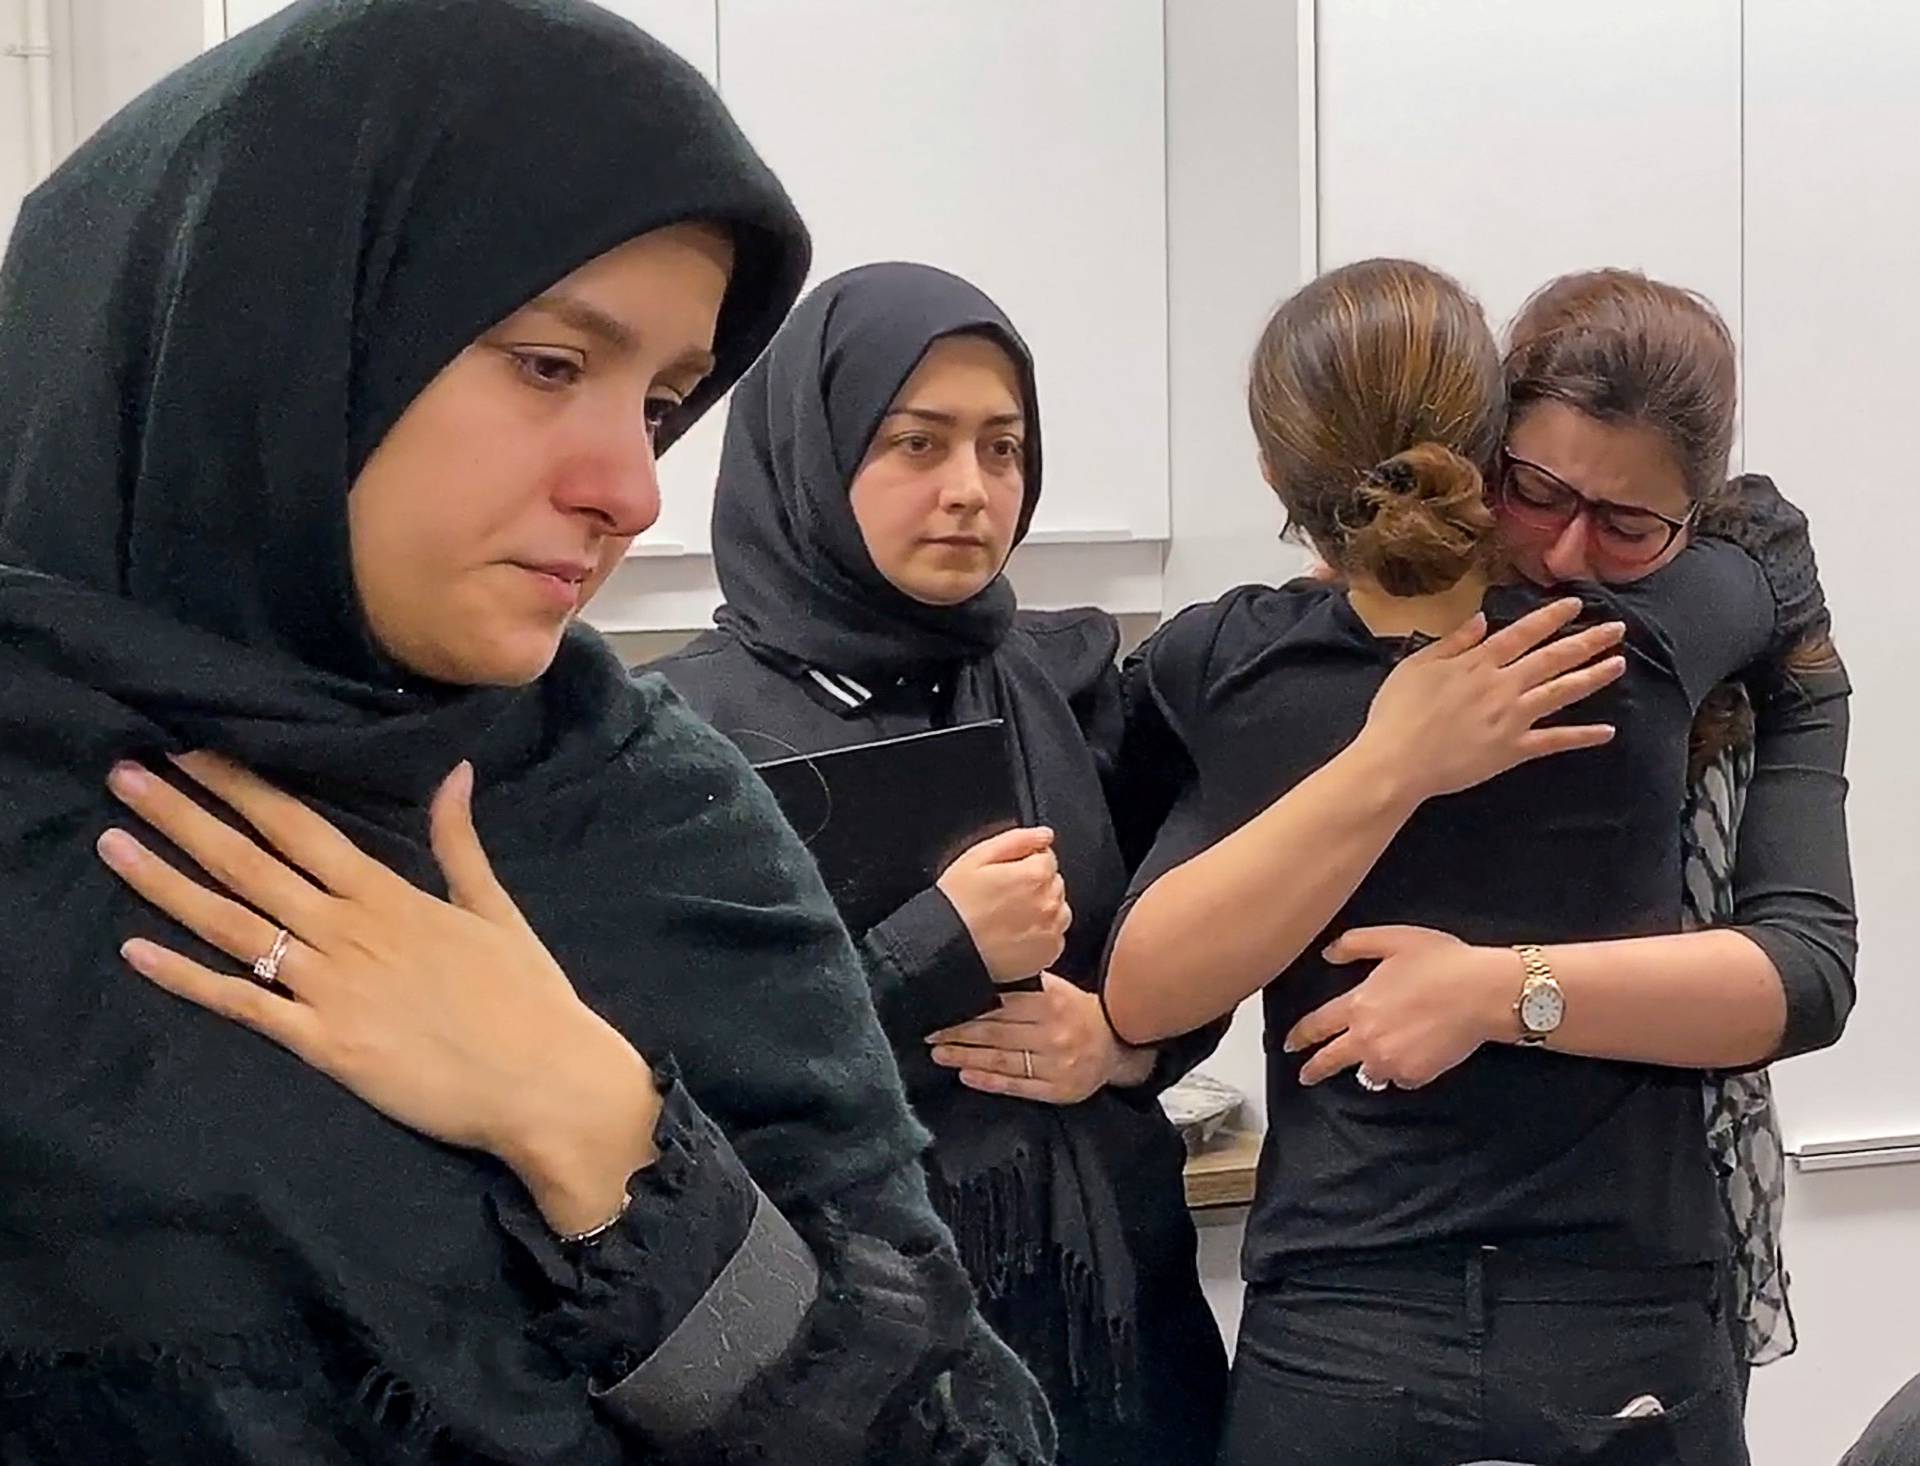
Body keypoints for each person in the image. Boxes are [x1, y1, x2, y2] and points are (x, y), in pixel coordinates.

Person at [0, 4, 1052, 1462]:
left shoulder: (661, 827)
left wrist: (601, 1128)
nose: (633, 485)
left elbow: (960, 1440)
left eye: (665, 401)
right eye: (553, 364)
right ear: (283, 324)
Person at [1100, 258, 1827, 1465]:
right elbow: (1764, 572)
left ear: (1282, 479)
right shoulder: (1636, 653)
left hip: (1339, 1324)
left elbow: (1139, 980)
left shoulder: (1228, 665)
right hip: (1617, 1321)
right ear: (1483, 450)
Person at [647, 260, 1229, 1463]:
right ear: (815, 453)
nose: (971, 490)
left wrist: (1130, 1040)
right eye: (917, 444)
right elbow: (662, 1087)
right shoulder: (677, 737)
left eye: (1002, 449)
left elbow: (1191, 928)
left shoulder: (1062, 683)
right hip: (855, 1375)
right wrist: (937, 952)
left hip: (1121, 1328)